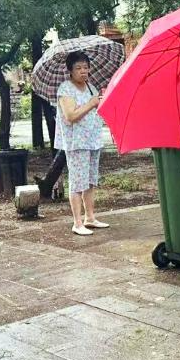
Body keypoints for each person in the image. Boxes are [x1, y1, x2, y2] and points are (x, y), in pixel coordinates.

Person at [56, 52, 109, 236]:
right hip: (76, 142)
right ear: (70, 70)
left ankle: (90, 217)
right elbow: (70, 116)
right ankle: (77, 223)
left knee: (90, 181)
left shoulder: (91, 87)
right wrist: (91, 104)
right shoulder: (66, 89)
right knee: (78, 182)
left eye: (86, 67)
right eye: (78, 68)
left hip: (93, 140)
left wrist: (100, 103)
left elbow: (96, 110)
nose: (83, 71)